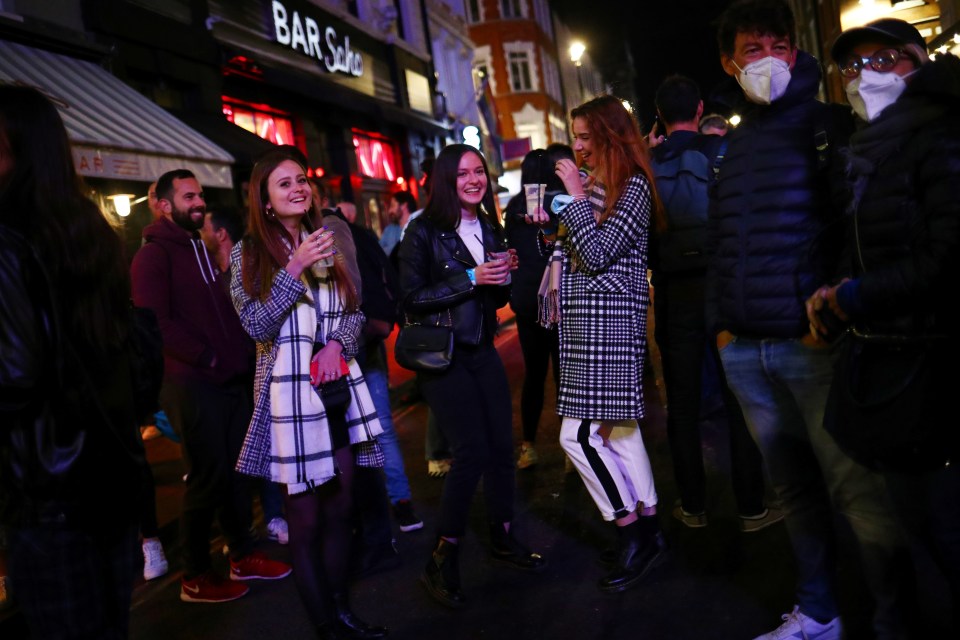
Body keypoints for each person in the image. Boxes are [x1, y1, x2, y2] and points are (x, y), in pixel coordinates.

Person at [709, 2, 912, 638]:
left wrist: (829, 303)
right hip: (746, 350)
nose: (768, 56)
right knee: (794, 493)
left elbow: (856, 223)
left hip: (810, 346)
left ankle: (894, 621)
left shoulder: (828, 125)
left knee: (858, 494)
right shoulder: (734, 145)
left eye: (778, 44)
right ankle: (819, 612)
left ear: (795, 53)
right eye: (752, 48)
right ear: (728, 63)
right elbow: (723, 238)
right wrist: (722, 327)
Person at [807, 18, 960, 632]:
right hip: (893, 362)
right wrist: (837, 289)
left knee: (941, 532)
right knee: (909, 528)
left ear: (918, 62)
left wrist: (854, 297)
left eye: (883, 60)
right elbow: (873, 244)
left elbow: (947, 258)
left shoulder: (940, 133)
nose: (864, 77)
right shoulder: (876, 147)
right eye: (852, 67)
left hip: (934, 366)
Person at [0, 85, 144, 638]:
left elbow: (13, 374)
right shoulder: (90, 231)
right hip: (110, 475)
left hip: (47, 489)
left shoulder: (7, 241)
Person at [230, 149, 387, 638]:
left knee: (342, 506)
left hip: (335, 391)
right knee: (306, 517)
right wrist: (293, 266)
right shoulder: (248, 253)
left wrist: (337, 344)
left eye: (302, 180)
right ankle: (324, 624)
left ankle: (341, 611)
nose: (299, 188)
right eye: (284, 184)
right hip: (287, 401)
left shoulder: (327, 240)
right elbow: (256, 325)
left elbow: (355, 312)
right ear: (265, 200)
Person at [132, 169, 292, 603]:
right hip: (191, 382)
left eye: (200, 194)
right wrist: (210, 356)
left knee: (238, 473)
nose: (198, 202)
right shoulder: (152, 256)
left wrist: (236, 355)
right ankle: (195, 574)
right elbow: (155, 323)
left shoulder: (198, 247)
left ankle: (241, 554)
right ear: (164, 205)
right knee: (206, 478)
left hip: (226, 378)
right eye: (188, 196)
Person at [398, 143, 546, 608]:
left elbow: (495, 301)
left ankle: (502, 537)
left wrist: (502, 278)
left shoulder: (488, 225)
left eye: (478, 171)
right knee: (471, 452)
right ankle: (443, 557)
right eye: (462, 173)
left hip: (481, 350)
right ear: (446, 179)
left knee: (503, 445)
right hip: (444, 358)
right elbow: (410, 298)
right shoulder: (423, 231)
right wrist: (471, 279)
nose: (473, 180)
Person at [540, 95, 664, 595]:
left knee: (579, 437)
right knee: (620, 434)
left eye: (586, 137)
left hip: (609, 329)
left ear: (611, 137)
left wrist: (571, 196)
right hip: (589, 328)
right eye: (576, 136)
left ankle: (629, 527)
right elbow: (574, 252)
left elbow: (596, 254)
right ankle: (650, 528)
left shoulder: (632, 186)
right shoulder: (603, 188)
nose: (578, 147)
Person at [650, 74, 781, 532]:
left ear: (660, 115)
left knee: (683, 406)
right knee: (736, 399)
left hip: (672, 291)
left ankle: (692, 506)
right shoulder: (721, 153)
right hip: (721, 287)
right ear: (699, 106)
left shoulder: (646, 163)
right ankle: (751, 507)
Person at [503, 146, 569, 469]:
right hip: (558, 299)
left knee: (534, 375)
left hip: (528, 302)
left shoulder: (514, 208)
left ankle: (528, 446)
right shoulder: (562, 203)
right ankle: (572, 450)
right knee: (564, 375)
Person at [380, 191, 415, 256]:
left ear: (404, 206)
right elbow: (379, 253)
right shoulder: (389, 229)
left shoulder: (418, 228)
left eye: (392, 206)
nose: (390, 211)